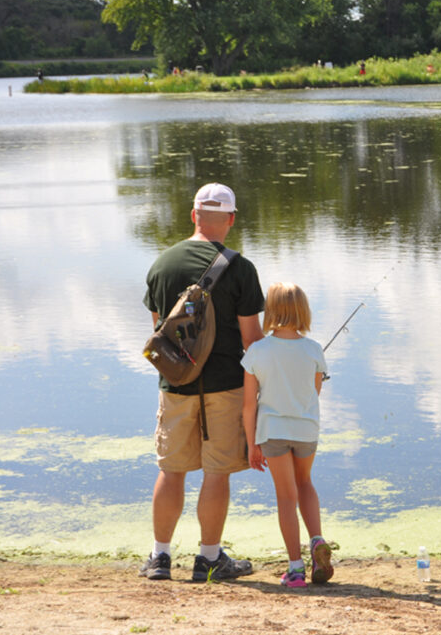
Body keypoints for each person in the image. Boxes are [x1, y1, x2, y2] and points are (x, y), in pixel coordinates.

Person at [140, 182, 265, 582]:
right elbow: (252, 341)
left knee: (171, 470)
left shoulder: (162, 265)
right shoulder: (241, 268)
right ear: (229, 220)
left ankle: (160, 558)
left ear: (194, 215)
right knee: (217, 472)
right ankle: (209, 558)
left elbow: (159, 334)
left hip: (175, 385)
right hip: (226, 386)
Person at [242, 282, 334, 587]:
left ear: (270, 311)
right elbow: (315, 392)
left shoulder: (257, 351)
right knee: (305, 482)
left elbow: (248, 406)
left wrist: (252, 444)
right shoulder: (314, 349)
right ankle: (317, 541)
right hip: (306, 429)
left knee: (285, 496)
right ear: (302, 310)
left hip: (272, 432)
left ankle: (295, 569)